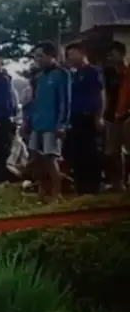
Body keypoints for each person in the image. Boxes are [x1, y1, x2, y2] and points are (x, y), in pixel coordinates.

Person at [27, 42, 71, 203]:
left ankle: (57, 193)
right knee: (35, 158)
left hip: (52, 124)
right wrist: (29, 120)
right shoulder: (39, 76)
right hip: (37, 123)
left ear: (51, 56)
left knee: (51, 159)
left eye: (40, 56)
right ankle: (42, 190)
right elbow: (35, 101)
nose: (37, 59)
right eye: (36, 56)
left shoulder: (62, 74)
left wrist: (62, 123)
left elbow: (65, 102)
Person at [64, 42, 105, 194]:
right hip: (75, 118)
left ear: (82, 53)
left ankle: (93, 186)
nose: (70, 58)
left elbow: (100, 94)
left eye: (73, 54)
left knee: (90, 152)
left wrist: (99, 116)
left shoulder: (93, 72)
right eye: (68, 56)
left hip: (89, 117)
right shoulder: (74, 75)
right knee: (78, 152)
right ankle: (81, 186)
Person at [103, 41, 127, 191]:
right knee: (112, 151)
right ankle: (118, 182)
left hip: (126, 115)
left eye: (113, 54)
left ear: (122, 54)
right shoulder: (108, 73)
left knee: (127, 150)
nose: (110, 57)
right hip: (112, 116)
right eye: (109, 54)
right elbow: (105, 94)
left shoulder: (128, 72)